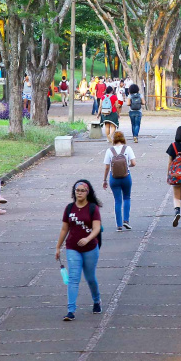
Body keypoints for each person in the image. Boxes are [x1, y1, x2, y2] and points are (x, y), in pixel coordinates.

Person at [55, 179, 103, 321]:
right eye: (77, 190)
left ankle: (96, 300)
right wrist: (58, 247)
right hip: (72, 248)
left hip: (90, 248)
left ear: (88, 193)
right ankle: (71, 311)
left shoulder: (93, 208)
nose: (79, 193)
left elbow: (97, 228)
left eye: (82, 190)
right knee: (73, 278)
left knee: (90, 277)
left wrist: (88, 239)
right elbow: (65, 228)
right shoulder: (69, 208)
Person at [102, 131, 137, 231]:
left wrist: (104, 180)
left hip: (114, 178)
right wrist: (127, 166)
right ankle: (126, 220)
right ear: (123, 138)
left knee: (117, 201)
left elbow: (107, 167)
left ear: (114, 139)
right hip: (126, 177)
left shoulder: (109, 151)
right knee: (127, 198)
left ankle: (119, 225)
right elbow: (134, 163)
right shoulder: (128, 149)